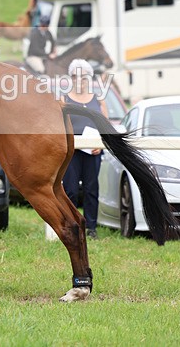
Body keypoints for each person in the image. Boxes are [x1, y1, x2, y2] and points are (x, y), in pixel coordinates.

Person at [61, 59, 108, 240]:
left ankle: (91, 227)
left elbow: (105, 125)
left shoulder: (98, 99)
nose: (79, 80)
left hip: (93, 151)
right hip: (72, 151)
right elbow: (61, 126)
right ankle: (72, 226)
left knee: (91, 189)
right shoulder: (64, 99)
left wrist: (99, 143)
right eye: (75, 76)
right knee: (70, 190)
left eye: (83, 76)